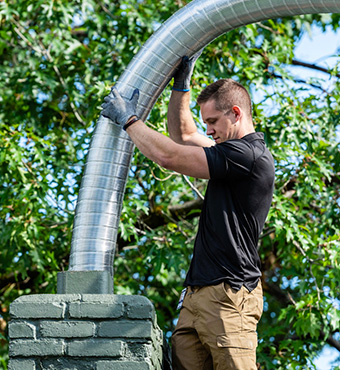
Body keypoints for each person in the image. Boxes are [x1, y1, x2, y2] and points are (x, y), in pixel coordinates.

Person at [101, 54, 275, 370]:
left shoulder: (248, 156)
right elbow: (182, 135)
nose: (207, 130)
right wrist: (181, 86)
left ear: (235, 114)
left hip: (229, 295)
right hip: (196, 297)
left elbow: (169, 156)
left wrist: (130, 120)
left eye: (212, 122)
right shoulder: (228, 153)